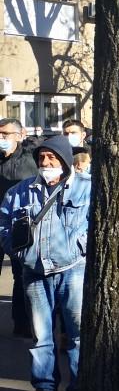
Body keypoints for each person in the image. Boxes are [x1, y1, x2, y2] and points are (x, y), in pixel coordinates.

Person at [0, 135, 90, 391]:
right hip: (34, 273)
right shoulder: (20, 191)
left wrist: (81, 247)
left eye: (51, 158)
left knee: (76, 333)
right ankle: (44, 387)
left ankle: (80, 385)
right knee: (41, 336)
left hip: (73, 270)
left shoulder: (88, 188)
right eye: (41, 158)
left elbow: (100, 223)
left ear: (64, 160)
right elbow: (3, 222)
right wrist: (16, 252)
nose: (46, 163)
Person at [0, 118, 38, 337]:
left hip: (17, 226)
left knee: (20, 276)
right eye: (0, 134)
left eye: (5, 134)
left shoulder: (30, 161)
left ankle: (21, 325)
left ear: (19, 135)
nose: (1, 138)